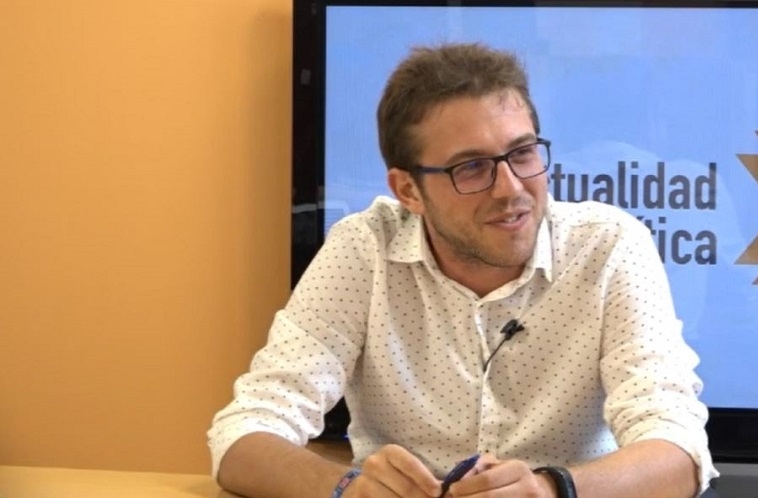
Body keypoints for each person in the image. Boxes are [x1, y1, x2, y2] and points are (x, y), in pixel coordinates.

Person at [208, 42, 719, 498]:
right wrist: (346, 489)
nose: (511, 188)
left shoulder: (608, 245)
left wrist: (551, 490)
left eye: (522, 153)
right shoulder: (364, 250)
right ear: (408, 190)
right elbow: (244, 433)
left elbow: (679, 450)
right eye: (471, 167)